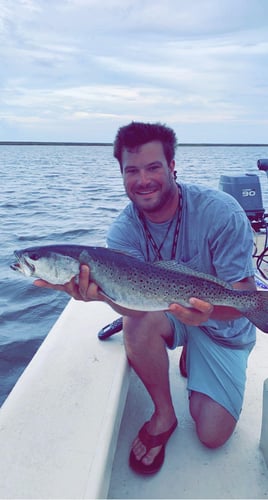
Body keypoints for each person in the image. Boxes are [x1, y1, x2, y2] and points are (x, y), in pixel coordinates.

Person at [35, 121, 256, 475]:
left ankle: (195, 353)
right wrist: (100, 297)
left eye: (153, 167)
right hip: (166, 311)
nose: (143, 180)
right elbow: (131, 303)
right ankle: (164, 415)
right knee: (133, 322)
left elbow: (245, 300)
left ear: (172, 166)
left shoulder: (222, 212)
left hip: (223, 325)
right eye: (131, 170)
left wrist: (209, 314)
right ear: (121, 174)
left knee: (212, 435)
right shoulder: (123, 230)